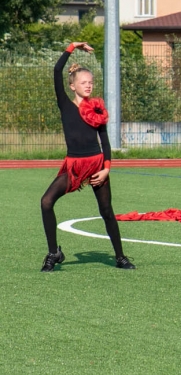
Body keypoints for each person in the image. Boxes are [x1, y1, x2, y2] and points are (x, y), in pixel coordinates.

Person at [40, 42, 134, 272]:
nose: (88, 86)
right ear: (72, 86)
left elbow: (106, 142)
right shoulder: (65, 105)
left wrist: (106, 169)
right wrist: (72, 46)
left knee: (107, 211)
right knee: (46, 202)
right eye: (84, 83)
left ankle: (120, 257)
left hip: (96, 164)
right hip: (73, 165)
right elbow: (56, 70)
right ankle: (54, 253)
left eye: (91, 82)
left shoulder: (96, 110)